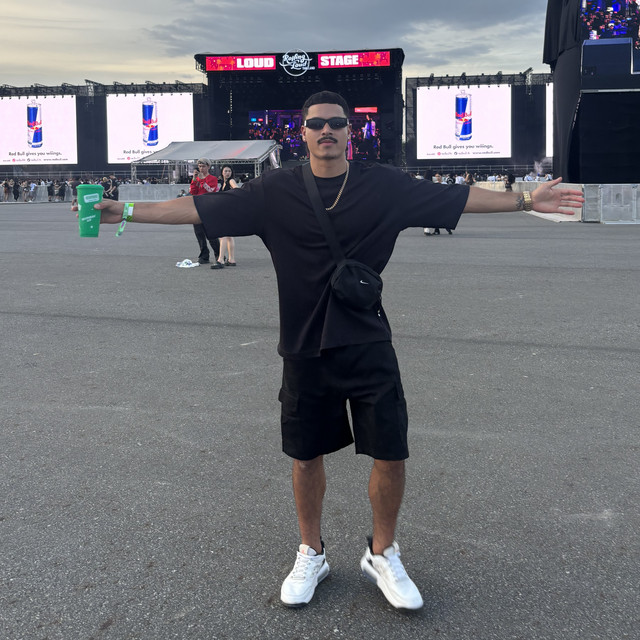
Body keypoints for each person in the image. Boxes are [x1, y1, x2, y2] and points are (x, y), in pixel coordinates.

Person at [85, 91, 583, 611]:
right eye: (317, 123)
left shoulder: (383, 186)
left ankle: (382, 553)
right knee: (305, 457)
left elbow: (456, 199)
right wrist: (125, 210)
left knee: (391, 453)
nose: (327, 130)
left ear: (350, 132)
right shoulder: (274, 191)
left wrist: (527, 201)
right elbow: (196, 207)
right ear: (302, 133)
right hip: (304, 345)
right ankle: (312, 552)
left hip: (368, 341)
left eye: (337, 123)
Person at [189, 158, 220, 265]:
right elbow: (193, 192)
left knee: (211, 233)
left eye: (203, 166)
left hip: (208, 207)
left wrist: (202, 180)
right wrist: (194, 180)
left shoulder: (213, 178)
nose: (201, 168)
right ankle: (204, 255)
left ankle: (219, 254)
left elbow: (211, 190)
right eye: (199, 166)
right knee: (199, 233)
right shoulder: (197, 178)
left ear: (208, 167)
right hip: (197, 207)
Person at [215, 165, 239, 268]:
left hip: (228, 211)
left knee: (223, 235)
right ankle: (231, 259)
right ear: (222, 172)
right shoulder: (223, 183)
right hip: (226, 211)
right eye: (225, 171)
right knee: (229, 236)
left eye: (229, 171)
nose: (227, 173)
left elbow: (237, 190)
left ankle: (220, 259)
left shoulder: (231, 181)